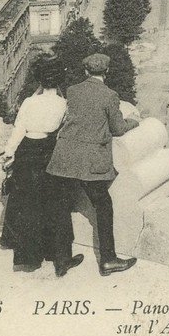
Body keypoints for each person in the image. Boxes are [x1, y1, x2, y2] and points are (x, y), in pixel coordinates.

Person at [47, 53, 140, 277]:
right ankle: (108, 260)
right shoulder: (110, 95)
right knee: (103, 206)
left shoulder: (72, 90)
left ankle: (62, 261)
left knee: (61, 207)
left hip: (64, 158)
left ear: (85, 71)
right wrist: (133, 122)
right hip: (92, 162)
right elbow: (117, 128)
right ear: (105, 72)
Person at [0, 59, 68, 272]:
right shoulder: (62, 104)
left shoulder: (30, 102)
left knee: (26, 203)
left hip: (27, 149)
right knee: (48, 202)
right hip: (48, 150)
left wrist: (9, 153)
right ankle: (49, 250)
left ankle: (27, 256)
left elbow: (18, 130)